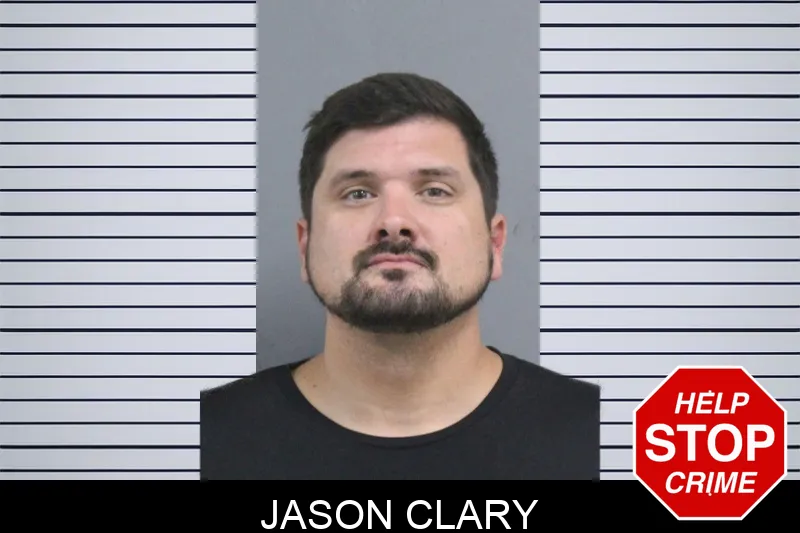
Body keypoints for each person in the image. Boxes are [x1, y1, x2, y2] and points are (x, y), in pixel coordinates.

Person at [200, 72, 600, 480]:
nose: (393, 221)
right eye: (358, 193)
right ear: (305, 246)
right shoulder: (200, 443)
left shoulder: (606, 441)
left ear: (494, 243)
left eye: (434, 190)